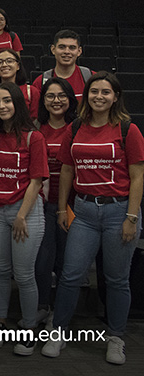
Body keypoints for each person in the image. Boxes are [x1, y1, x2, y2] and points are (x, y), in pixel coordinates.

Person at [43, 73, 143, 365]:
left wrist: (132, 217)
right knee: (71, 275)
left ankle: (115, 337)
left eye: (106, 92)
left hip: (118, 211)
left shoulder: (128, 129)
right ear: (86, 96)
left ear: (115, 97)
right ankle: (58, 332)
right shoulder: (75, 127)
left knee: (116, 280)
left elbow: (138, 176)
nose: (99, 96)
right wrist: (62, 209)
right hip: (84, 212)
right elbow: (66, 171)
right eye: (94, 91)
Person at [0, 83, 47, 356]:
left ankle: (29, 329)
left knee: (23, 275)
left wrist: (21, 215)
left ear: (17, 103)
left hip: (25, 213)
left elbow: (36, 181)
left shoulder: (34, 137)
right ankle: (1, 323)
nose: (2, 106)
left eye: (7, 101)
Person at [33, 77, 77, 324]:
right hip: (43, 206)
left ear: (70, 100)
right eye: (50, 96)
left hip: (72, 205)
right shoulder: (36, 129)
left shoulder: (79, 128)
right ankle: (42, 306)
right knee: (42, 262)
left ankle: (59, 314)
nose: (56, 101)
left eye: (61, 96)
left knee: (65, 262)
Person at [32, 29, 92, 102]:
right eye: (62, 47)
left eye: (72, 48)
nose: (67, 51)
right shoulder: (40, 83)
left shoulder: (91, 78)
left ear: (79, 51)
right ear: (53, 49)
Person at [0, 49, 38, 118]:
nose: (4, 65)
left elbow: (35, 119)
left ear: (18, 66)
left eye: (9, 61)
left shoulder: (31, 91)